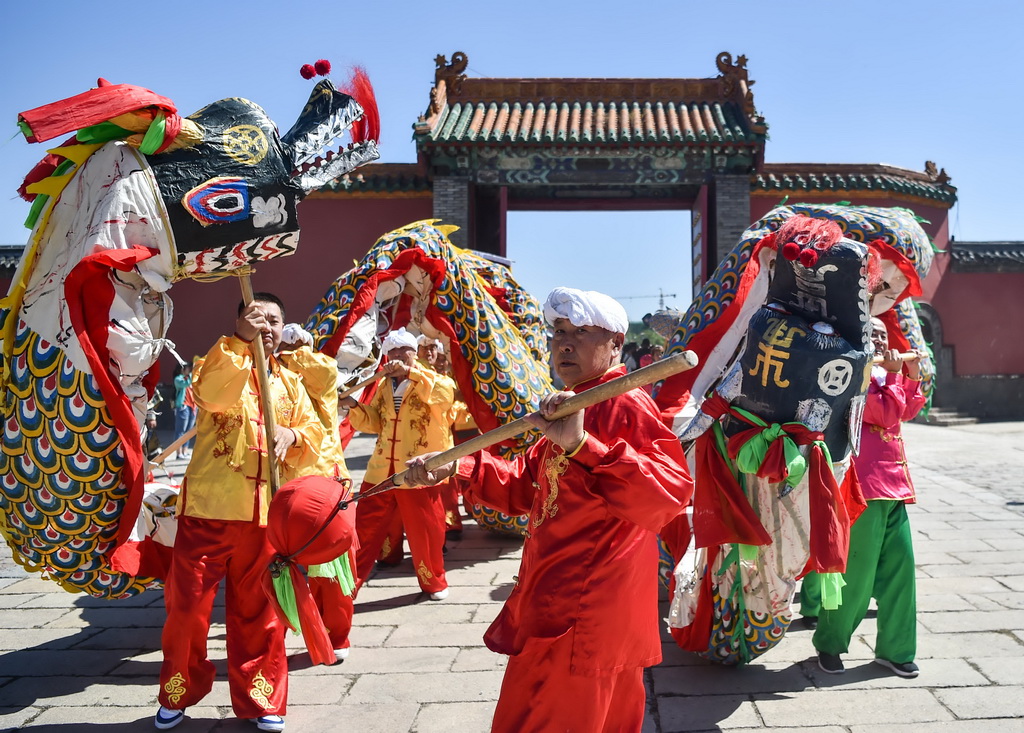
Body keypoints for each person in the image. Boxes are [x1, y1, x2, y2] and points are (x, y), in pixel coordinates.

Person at [406, 287, 694, 733]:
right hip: (557, 592)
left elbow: (669, 493)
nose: (564, 342)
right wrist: (456, 467)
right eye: (559, 331)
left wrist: (584, 446)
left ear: (616, 343)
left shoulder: (623, 404)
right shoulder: (576, 401)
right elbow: (527, 487)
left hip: (591, 602)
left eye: (581, 332)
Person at [155, 293, 324, 732]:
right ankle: (180, 689)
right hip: (209, 512)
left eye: (274, 320)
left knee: (260, 614)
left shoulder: (290, 382)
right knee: (187, 609)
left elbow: (315, 436)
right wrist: (239, 340)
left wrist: (293, 433)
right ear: (241, 320)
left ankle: (262, 697)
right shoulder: (219, 359)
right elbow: (208, 397)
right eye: (257, 318)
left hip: (266, 517)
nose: (266, 326)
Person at [804, 316, 926, 678]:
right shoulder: (849, 373)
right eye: (871, 333)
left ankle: (896, 650)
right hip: (861, 487)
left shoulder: (886, 374)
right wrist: (896, 376)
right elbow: (886, 412)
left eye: (883, 334)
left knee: (902, 576)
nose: (878, 338)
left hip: (896, 487)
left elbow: (910, 409)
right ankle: (830, 643)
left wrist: (912, 375)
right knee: (854, 576)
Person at [339, 327, 457, 601]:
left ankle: (433, 582)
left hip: (419, 469)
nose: (396, 356)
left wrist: (411, 373)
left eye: (402, 351)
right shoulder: (383, 385)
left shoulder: (434, 381)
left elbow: (444, 397)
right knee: (365, 528)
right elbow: (375, 422)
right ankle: (348, 585)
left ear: (414, 354)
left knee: (426, 531)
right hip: (382, 467)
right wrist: (353, 405)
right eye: (391, 351)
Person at [277, 323, 358, 664]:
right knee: (283, 567)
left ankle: (337, 635)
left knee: (332, 566)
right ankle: (281, 633)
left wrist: (289, 352)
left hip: (326, 483)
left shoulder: (321, 377)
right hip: (283, 488)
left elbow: (323, 368)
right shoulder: (270, 381)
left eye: (297, 347)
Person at [171, 363, 196, 459]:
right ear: (182, 369)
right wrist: (191, 374)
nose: (189, 369)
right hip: (183, 407)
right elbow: (185, 384)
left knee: (189, 431)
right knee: (180, 431)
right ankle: (179, 453)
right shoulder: (178, 379)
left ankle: (185, 451)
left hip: (192, 407)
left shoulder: (191, 379)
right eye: (187, 368)